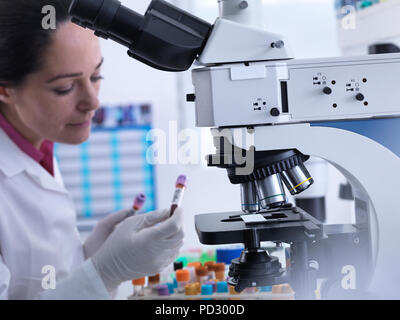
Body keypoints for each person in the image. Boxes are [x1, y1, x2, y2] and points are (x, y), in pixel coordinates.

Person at [0, 0, 184, 300]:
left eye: (96, 76)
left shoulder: (38, 142)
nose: (92, 101)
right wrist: (103, 272)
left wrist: (86, 258)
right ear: (5, 89)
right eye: (65, 88)